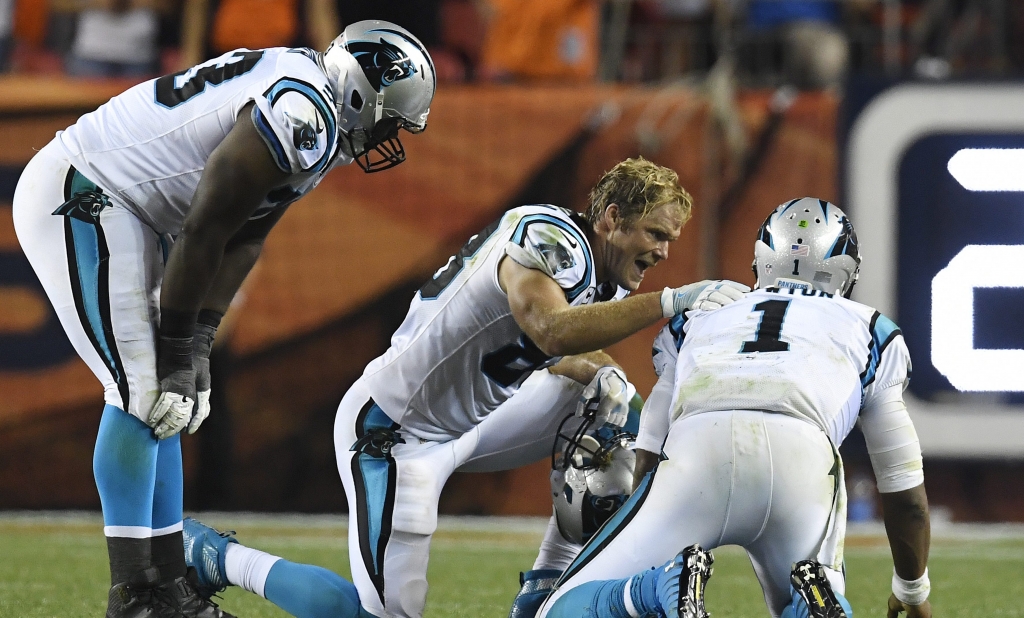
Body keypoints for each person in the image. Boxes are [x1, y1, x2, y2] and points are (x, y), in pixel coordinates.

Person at [182, 157, 751, 618]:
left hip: (470, 422)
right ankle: (217, 557)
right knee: (381, 617)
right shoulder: (552, 240)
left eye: (670, 239)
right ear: (609, 217)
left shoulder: (602, 275)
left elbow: (559, 348)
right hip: (393, 434)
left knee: (609, 396)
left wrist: (604, 373)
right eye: (655, 233)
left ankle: (546, 582)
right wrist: (674, 300)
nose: (663, 251)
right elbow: (549, 330)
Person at [13, 20, 435, 618]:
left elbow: (247, 232)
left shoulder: (315, 112)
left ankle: (166, 585)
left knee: (161, 392)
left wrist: (202, 338)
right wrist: (180, 346)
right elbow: (207, 224)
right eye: (392, 119)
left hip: (135, 210)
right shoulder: (301, 111)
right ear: (363, 91)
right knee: (139, 388)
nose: (389, 136)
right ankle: (138, 594)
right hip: (85, 190)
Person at [536, 197, 932, 618]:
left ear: (762, 258)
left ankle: (657, 588)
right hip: (803, 459)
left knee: (559, 610)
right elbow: (905, 492)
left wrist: (647, 528)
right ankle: (811, 601)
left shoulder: (699, 315)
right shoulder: (871, 329)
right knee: (810, 589)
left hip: (697, 450)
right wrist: (912, 591)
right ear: (846, 270)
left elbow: (651, 442)